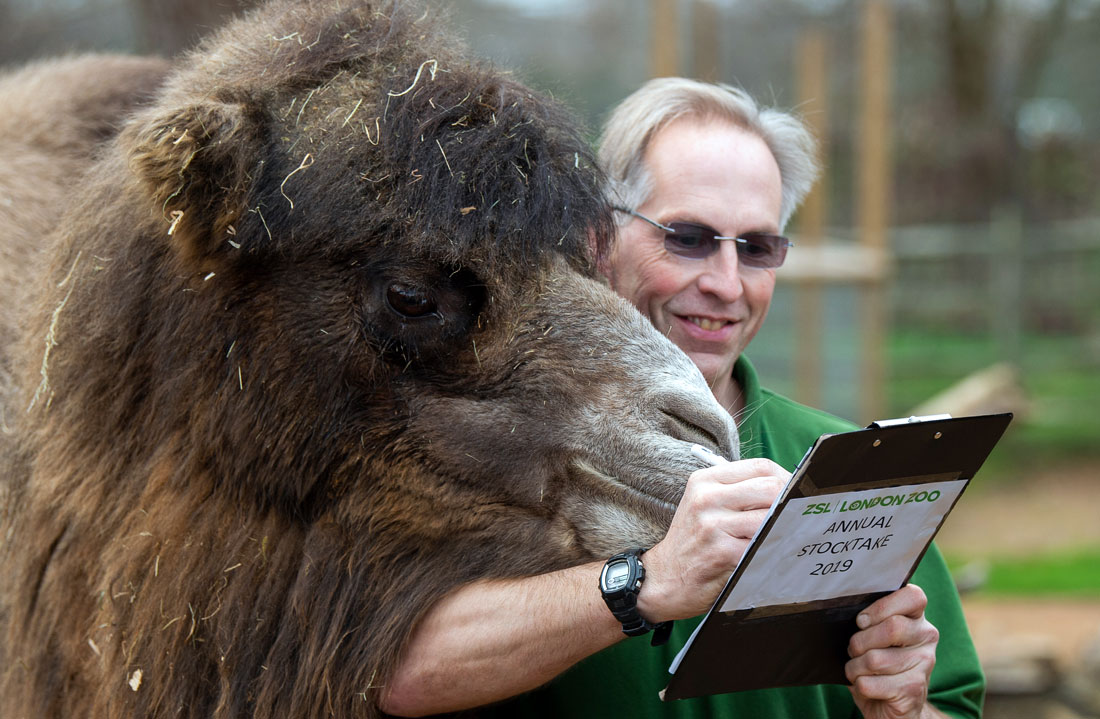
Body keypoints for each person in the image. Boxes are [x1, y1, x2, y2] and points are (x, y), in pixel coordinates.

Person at [379, 78, 984, 719]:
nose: (726, 284)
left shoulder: (853, 473)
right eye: (688, 238)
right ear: (597, 239)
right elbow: (391, 673)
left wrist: (906, 707)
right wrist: (645, 584)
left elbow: (951, 707)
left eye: (756, 248)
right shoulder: (491, 445)